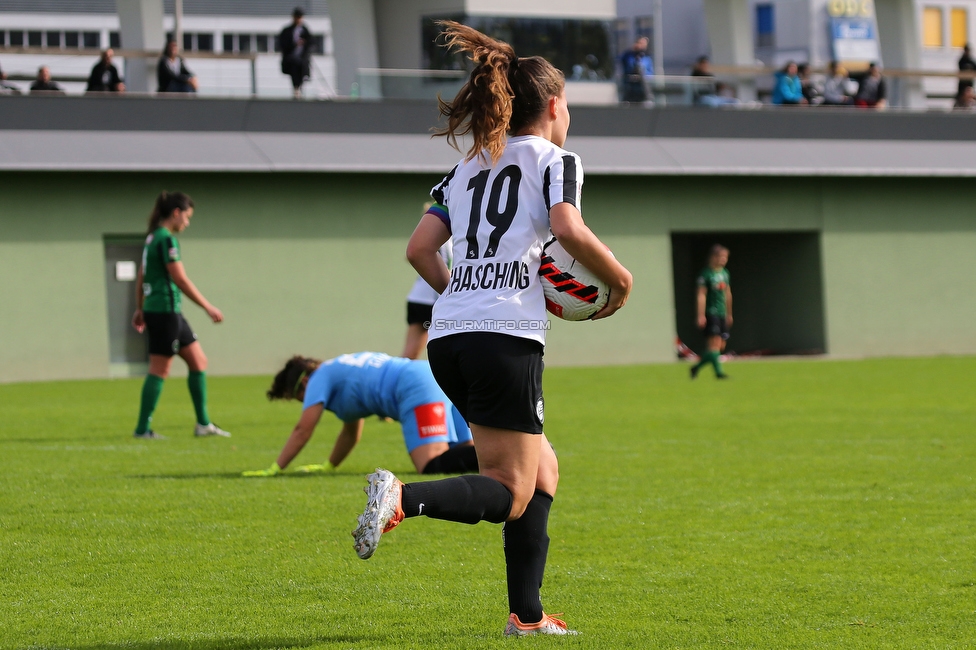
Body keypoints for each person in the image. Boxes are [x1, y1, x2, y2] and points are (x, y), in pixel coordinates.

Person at [351, 21, 632, 637]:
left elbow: (420, 249)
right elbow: (568, 228)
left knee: (542, 473)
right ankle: (403, 498)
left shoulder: (466, 169)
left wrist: (465, 294)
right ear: (555, 105)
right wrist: (620, 281)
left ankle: (526, 619)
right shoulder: (556, 159)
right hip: (504, 338)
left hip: (450, 338)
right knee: (511, 488)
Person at [242, 352, 478, 477]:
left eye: (298, 398)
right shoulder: (339, 374)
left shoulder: (318, 378)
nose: (305, 403)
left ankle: (506, 454)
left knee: (430, 465)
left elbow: (303, 429)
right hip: (429, 373)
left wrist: (276, 467)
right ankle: (502, 457)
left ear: (303, 382)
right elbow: (351, 432)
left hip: (415, 386)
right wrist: (329, 465)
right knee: (463, 452)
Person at [131, 191, 228, 439]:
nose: (187, 222)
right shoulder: (166, 240)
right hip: (164, 311)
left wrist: (140, 307)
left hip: (164, 310)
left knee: (198, 361)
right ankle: (142, 429)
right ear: (176, 213)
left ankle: (203, 425)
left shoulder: (152, 238)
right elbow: (180, 279)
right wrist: (208, 306)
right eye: (187, 217)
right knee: (159, 368)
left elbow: (142, 275)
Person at [402, 233, 452, 360]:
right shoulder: (446, 240)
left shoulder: (434, 238)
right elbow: (447, 268)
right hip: (431, 302)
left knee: (409, 355)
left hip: (418, 299)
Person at [690, 245, 732, 380]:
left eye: (726, 257)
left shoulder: (725, 274)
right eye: (721, 257)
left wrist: (729, 313)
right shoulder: (705, 274)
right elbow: (701, 295)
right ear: (713, 257)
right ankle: (719, 373)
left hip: (722, 313)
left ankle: (696, 367)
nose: (724, 260)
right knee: (713, 345)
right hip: (711, 312)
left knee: (720, 347)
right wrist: (700, 315)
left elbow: (728, 294)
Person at [279, 7, 313, 98]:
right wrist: (295, 44)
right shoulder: (287, 31)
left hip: (302, 58)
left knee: (302, 72)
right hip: (291, 58)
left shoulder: (305, 31)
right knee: (294, 70)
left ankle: (299, 89)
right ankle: (296, 88)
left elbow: (311, 43)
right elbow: (283, 45)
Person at [619, 36, 653, 104]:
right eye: (640, 43)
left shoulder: (647, 58)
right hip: (629, 87)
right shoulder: (628, 56)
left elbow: (650, 73)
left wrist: (642, 74)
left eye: (644, 44)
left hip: (642, 89)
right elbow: (621, 62)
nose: (642, 46)